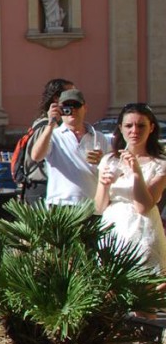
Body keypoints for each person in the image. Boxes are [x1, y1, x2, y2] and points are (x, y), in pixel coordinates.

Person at [95, 103, 166, 275]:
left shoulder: (160, 164)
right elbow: (99, 207)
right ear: (120, 128)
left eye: (141, 125)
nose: (134, 131)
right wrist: (104, 185)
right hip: (113, 227)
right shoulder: (109, 160)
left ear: (151, 128)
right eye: (128, 125)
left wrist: (136, 172)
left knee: (146, 289)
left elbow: (143, 207)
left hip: (142, 230)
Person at [29, 88, 110, 205]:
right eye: (66, 106)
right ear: (59, 110)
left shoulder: (99, 137)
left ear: (85, 108)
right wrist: (50, 124)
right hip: (60, 204)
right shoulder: (53, 136)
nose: (72, 110)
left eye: (76, 105)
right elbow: (36, 156)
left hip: (91, 204)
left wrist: (102, 161)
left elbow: (112, 168)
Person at [19, 78, 74, 205]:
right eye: (70, 93)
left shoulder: (52, 124)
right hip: (42, 188)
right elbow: (37, 156)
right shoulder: (46, 126)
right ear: (56, 98)